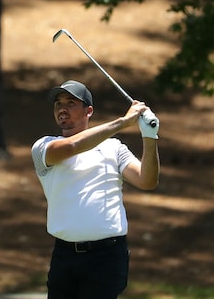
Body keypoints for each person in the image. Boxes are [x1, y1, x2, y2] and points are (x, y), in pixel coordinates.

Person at [31, 79, 160, 298]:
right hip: (65, 256)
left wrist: (149, 137)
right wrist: (123, 122)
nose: (62, 108)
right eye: (58, 103)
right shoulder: (44, 147)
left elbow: (146, 181)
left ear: (88, 110)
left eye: (71, 102)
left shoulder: (114, 148)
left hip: (107, 257)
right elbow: (72, 146)